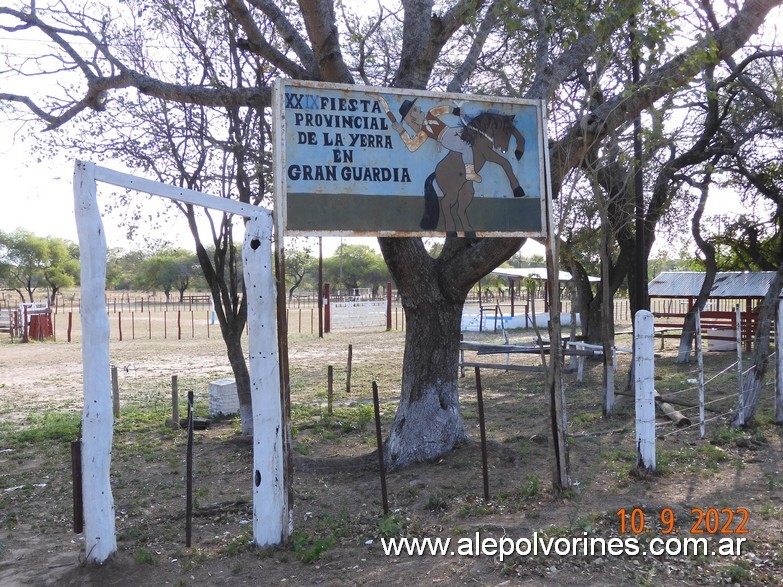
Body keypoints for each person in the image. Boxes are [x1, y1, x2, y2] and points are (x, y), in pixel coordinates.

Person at [391, 98, 482, 183]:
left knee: (470, 131)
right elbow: (412, 146)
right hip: (445, 139)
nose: (419, 108)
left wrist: (455, 111)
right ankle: (470, 173)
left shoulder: (430, 113)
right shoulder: (423, 132)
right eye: (415, 110)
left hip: (450, 130)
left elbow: (442, 109)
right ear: (412, 118)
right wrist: (401, 131)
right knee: (466, 147)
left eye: (416, 107)